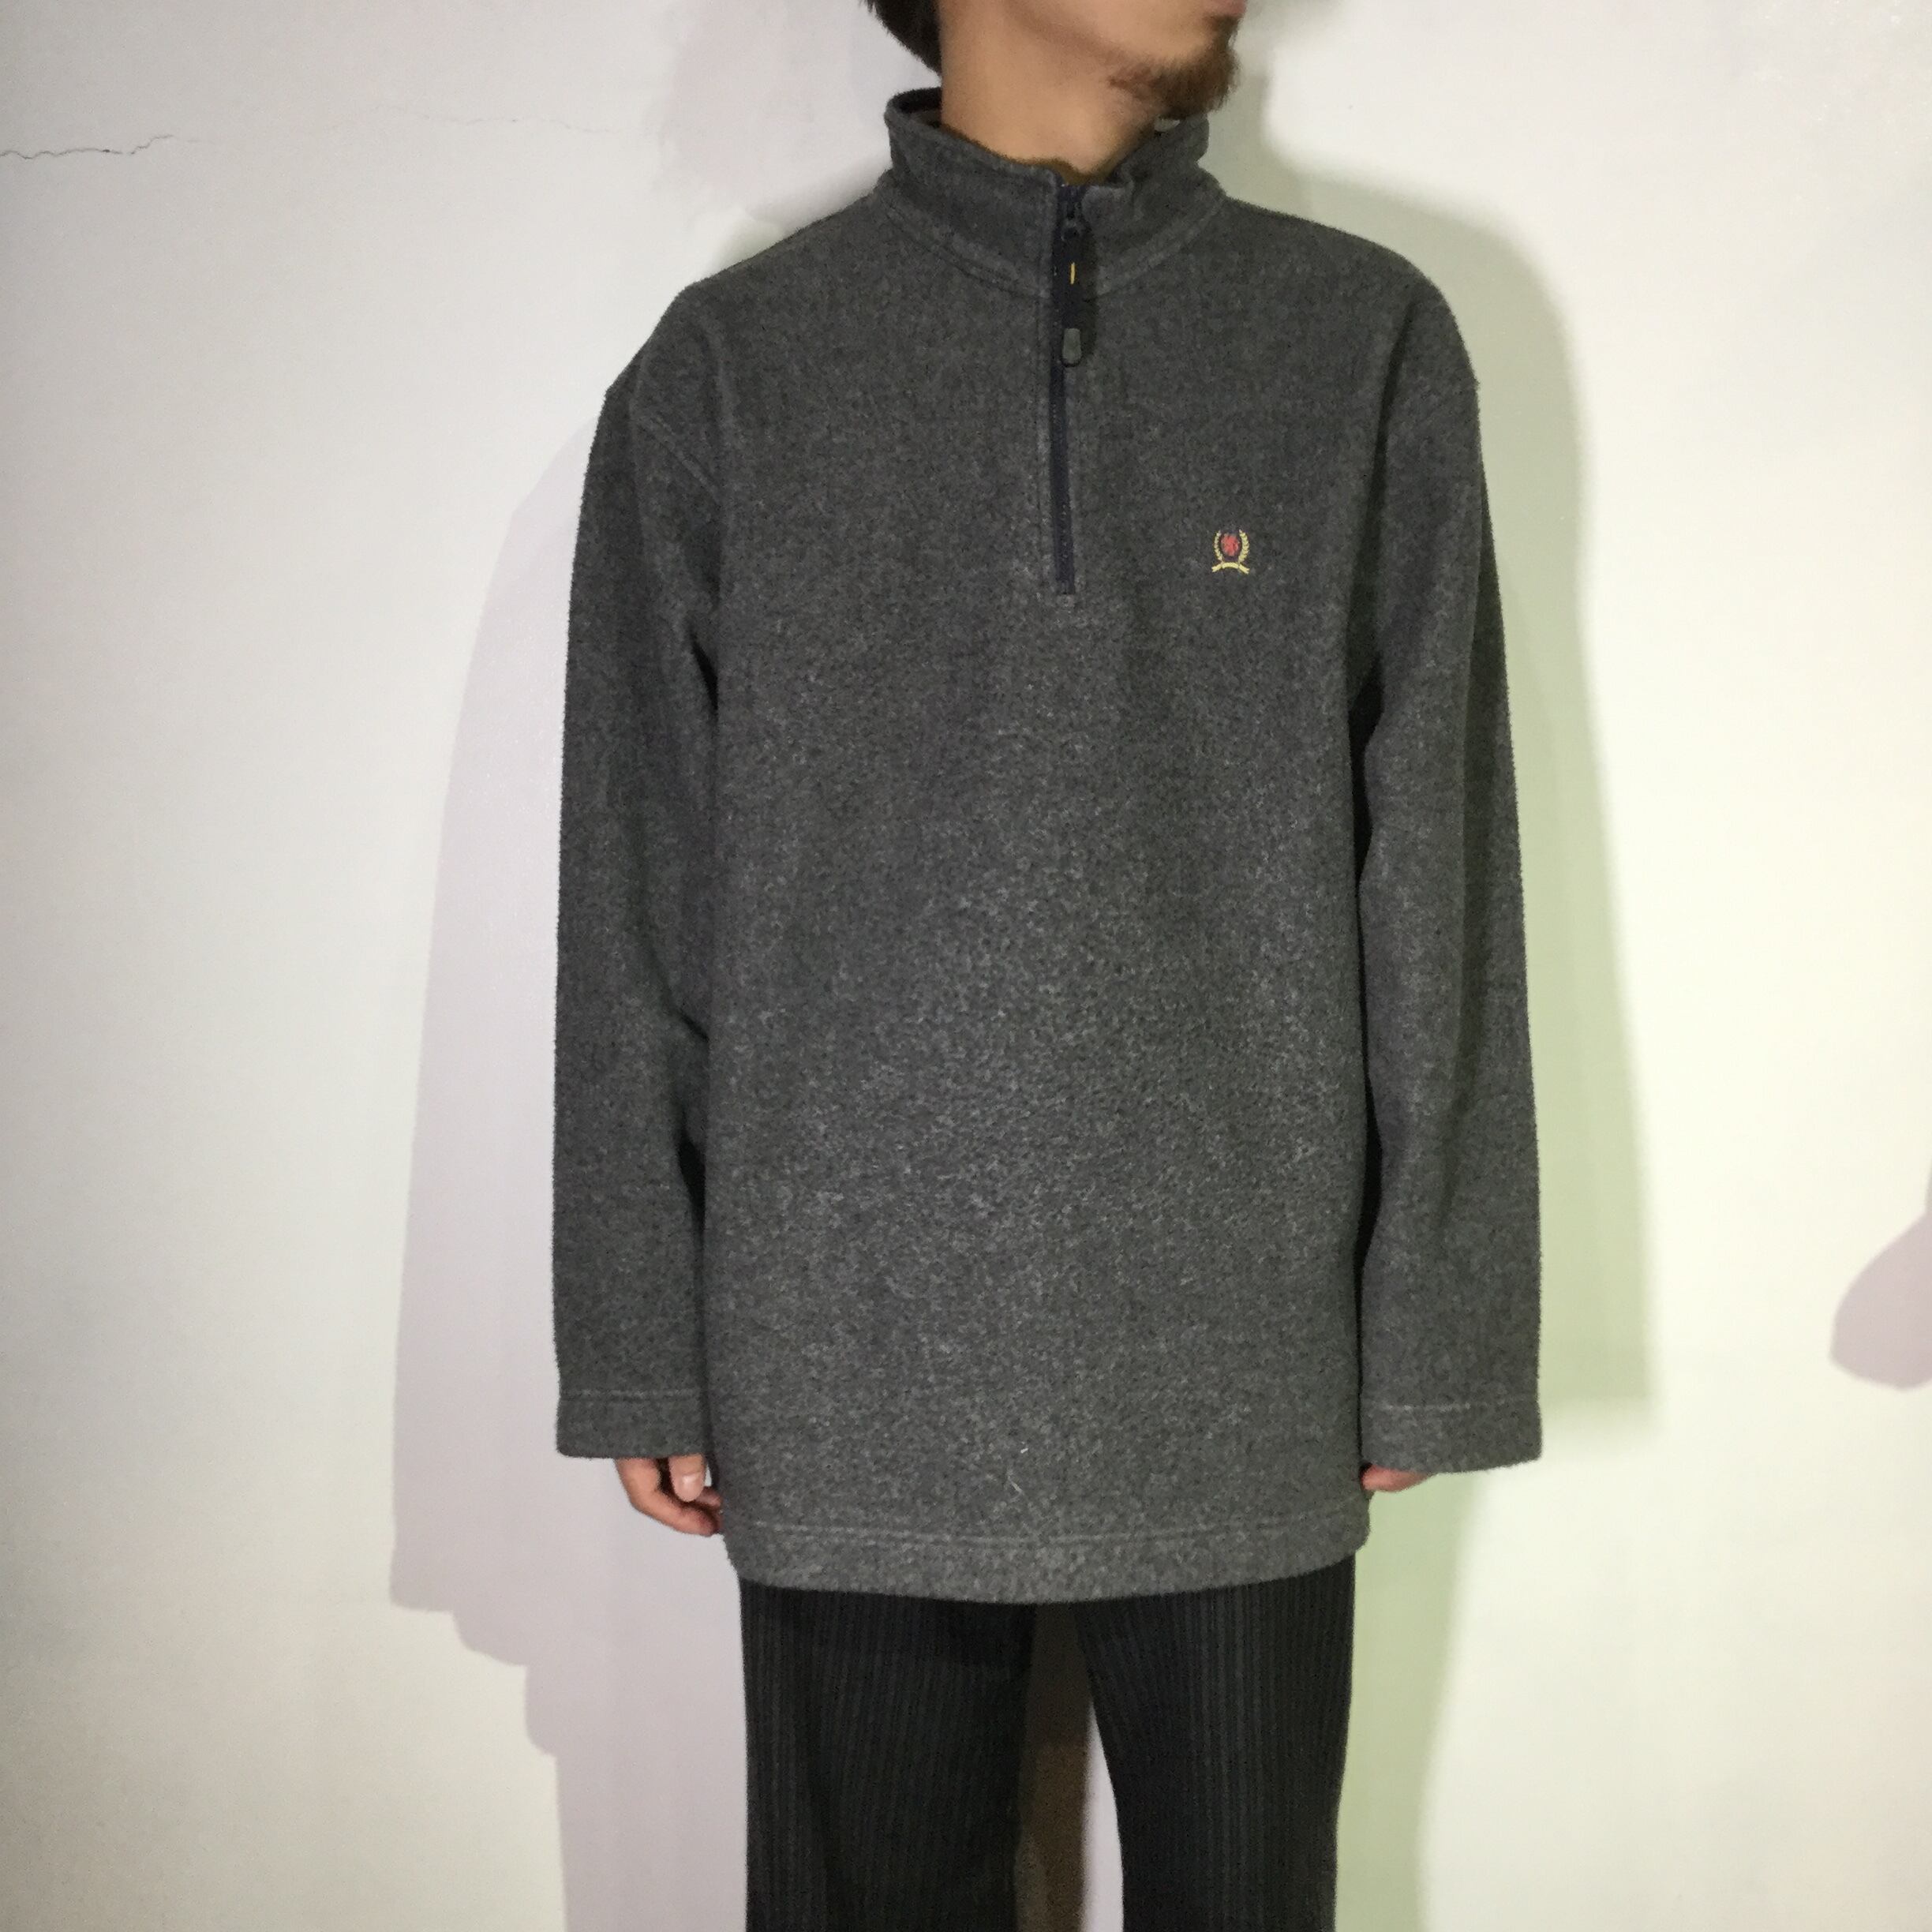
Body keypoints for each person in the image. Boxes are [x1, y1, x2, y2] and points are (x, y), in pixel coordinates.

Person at [549, 0, 1542, 1923]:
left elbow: (1440, 854)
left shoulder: (1354, 340)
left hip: (1246, 1343)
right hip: (841, 1348)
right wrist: (638, 1324)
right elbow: (637, 874)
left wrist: (1432, 1326)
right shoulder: (736, 369)